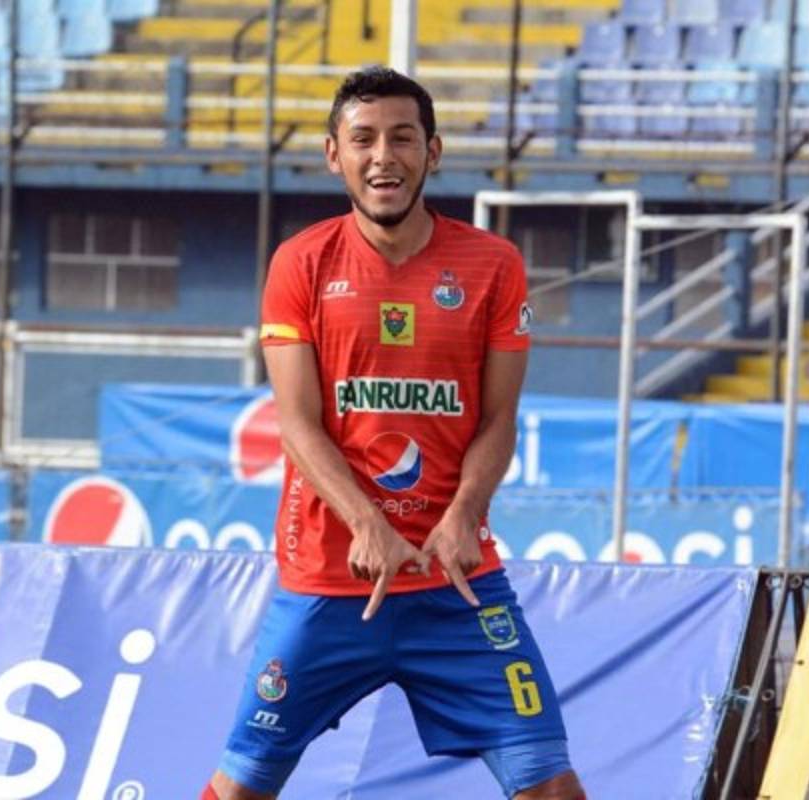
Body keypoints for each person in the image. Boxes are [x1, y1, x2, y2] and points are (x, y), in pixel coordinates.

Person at [203, 66, 585, 800]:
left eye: (403, 138)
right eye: (364, 139)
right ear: (334, 155)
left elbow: (498, 419)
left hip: (457, 584)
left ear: (432, 152)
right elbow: (297, 424)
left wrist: (465, 514)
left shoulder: (493, 265)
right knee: (243, 786)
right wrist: (366, 524)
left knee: (552, 786)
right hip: (330, 581)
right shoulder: (300, 263)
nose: (384, 156)